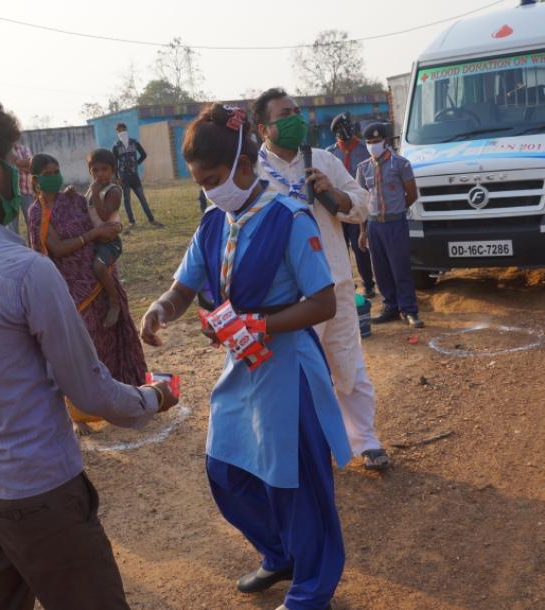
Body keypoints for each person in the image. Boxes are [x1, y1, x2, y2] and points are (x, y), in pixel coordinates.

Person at [0, 94, 178, 610]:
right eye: (14, 162)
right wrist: (152, 398)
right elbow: (88, 388)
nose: (21, 175)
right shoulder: (25, 271)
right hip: (42, 492)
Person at [141, 103, 351, 610]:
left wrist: (260, 324)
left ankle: (311, 590)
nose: (208, 191)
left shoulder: (289, 218)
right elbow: (184, 286)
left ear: (242, 165)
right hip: (242, 363)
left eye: (212, 180)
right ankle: (280, 553)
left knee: (294, 480)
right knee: (227, 469)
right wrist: (160, 308)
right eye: (200, 184)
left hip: (287, 365)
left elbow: (323, 303)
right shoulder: (215, 223)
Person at [253, 88, 391, 471]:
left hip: (335, 284)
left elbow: (362, 204)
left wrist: (337, 196)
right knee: (296, 376)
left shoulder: (324, 160)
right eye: (285, 114)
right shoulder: (252, 174)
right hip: (286, 298)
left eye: (297, 111)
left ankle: (365, 441)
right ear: (264, 128)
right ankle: (307, 451)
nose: (295, 119)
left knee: (348, 365)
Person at [26, 152, 148, 434]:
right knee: (81, 349)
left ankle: (124, 401)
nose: (55, 177)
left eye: (56, 171)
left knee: (112, 338)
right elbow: (56, 248)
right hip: (69, 288)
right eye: (48, 174)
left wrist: (110, 229)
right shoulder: (37, 213)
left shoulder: (73, 199)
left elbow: (100, 217)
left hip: (99, 281)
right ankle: (79, 414)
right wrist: (93, 235)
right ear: (35, 180)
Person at [356, 122, 423, 329]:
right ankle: (390, 306)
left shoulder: (400, 164)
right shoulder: (363, 168)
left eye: (376, 141)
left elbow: (412, 194)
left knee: (400, 267)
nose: (372, 145)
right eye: (369, 142)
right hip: (374, 225)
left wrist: (398, 209)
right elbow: (361, 201)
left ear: (385, 141)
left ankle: (409, 310)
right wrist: (362, 231)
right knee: (381, 270)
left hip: (395, 223)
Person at [326, 112, 375, 298]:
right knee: (339, 249)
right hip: (337, 208)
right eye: (342, 130)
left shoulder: (364, 149)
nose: (347, 133)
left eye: (348, 128)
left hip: (357, 206)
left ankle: (368, 283)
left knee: (360, 247)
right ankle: (347, 284)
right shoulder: (329, 154)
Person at [85, 148, 126, 327]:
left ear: (112, 170)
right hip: (95, 238)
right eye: (95, 170)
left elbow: (103, 216)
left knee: (99, 267)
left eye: (104, 169)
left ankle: (114, 302)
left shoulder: (113, 191)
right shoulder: (92, 189)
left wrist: (95, 193)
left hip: (110, 242)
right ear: (90, 172)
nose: (100, 174)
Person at [112, 122, 163, 228]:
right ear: (117, 133)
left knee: (142, 199)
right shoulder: (116, 146)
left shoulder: (134, 143)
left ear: (126, 130)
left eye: (123, 130)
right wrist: (116, 178)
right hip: (123, 178)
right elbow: (114, 163)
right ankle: (131, 222)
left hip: (135, 177)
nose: (121, 132)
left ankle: (151, 220)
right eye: (119, 131)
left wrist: (137, 163)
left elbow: (144, 155)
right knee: (127, 200)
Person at [11, 140, 34, 239]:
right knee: (12, 226)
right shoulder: (3, 151)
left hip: (27, 190)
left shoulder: (24, 149)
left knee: (31, 222)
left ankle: (33, 245)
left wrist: (16, 163)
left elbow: (31, 165)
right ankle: (14, 246)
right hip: (10, 193)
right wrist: (23, 165)